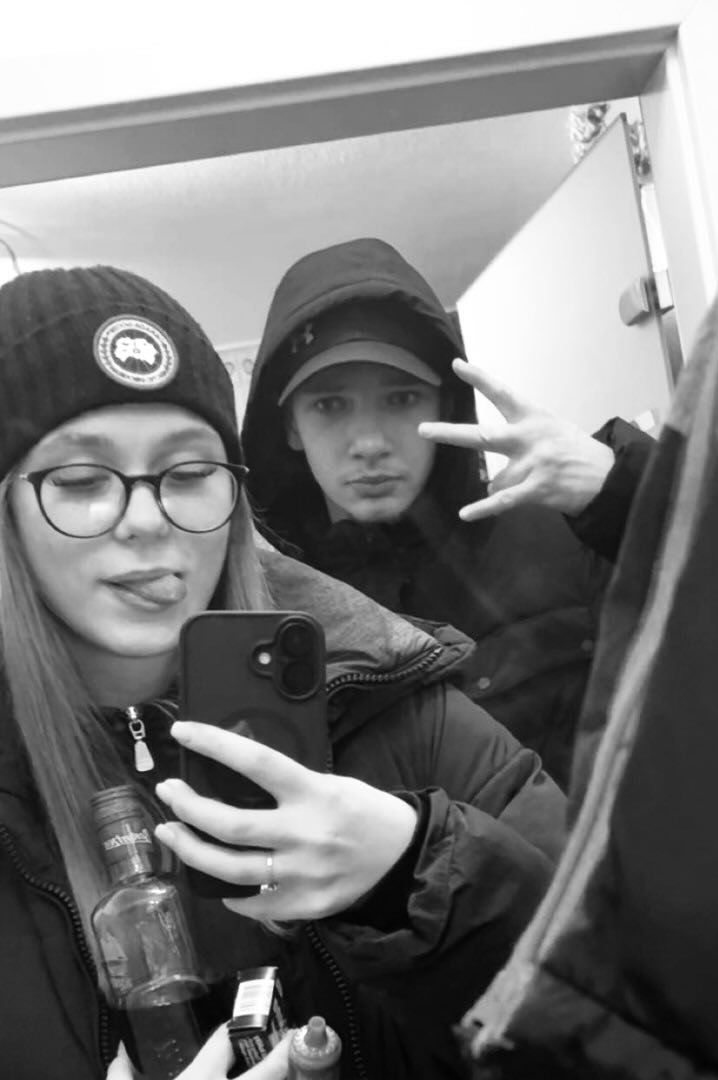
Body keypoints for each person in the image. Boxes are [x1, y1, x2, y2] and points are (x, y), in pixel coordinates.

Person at [0, 264, 564, 1080]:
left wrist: (420, 871)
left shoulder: (399, 706)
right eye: (83, 481)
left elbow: (634, 1006)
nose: (148, 521)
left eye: (190, 474)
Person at [241, 237, 650, 788]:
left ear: (445, 404)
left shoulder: (560, 535)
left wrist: (624, 489)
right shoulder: (265, 608)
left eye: (401, 398)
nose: (369, 443)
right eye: (330, 405)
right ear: (291, 426)